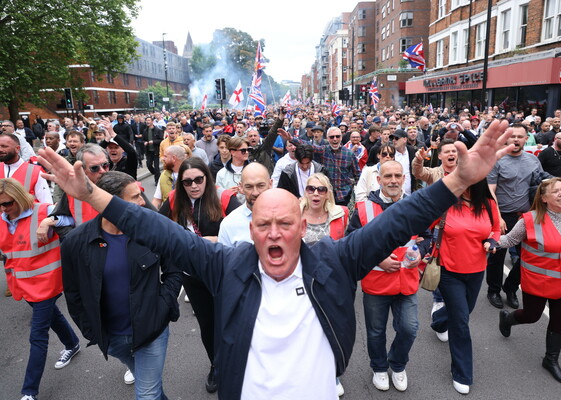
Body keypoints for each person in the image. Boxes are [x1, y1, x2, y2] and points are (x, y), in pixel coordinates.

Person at [37, 119, 515, 400]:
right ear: (250, 231)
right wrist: (96, 196)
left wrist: (454, 183)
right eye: (263, 225)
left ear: (301, 229)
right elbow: (160, 232)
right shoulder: (227, 265)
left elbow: (398, 221)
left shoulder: (335, 259)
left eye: (284, 224)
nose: (274, 233)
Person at [60, 172, 182, 398]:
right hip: (112, 338)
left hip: (151, 331)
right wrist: (90, 330)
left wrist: (164, 305)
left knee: (146, 393)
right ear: (110, 202)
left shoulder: (151, 230)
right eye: (135, 196)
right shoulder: (76, 242)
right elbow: (73, 292)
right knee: (151, 388)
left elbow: (174, 269)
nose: (142, 202)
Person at [496, 178, 561, 384]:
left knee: (558, 321)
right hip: (537, 282)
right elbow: (509, 241)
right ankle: (508, 319)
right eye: (555, 191)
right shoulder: (529, 220)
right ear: (544, 198)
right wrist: (488, 240)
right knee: (532, 316)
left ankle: (551, 360)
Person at [158, 158, 239, 393]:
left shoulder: (224, 198)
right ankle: (216, 364)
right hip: (192, 274)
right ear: (180, 183)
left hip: (223, 270)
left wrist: (215, 241)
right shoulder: (174, 200)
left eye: (198, 179)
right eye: (187, 182)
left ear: (207, 177)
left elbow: (244, 229)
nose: (194, 185)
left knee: (230, 319)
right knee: (207, 323)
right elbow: (158, 227)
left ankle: (237, 361)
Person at [346, 161, 425, 394]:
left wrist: (420, 252)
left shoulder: (416, 205)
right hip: (376, 284)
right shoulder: (363, 209)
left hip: (406, 282)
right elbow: (352, 242)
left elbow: (428, 235)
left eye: (397, 176)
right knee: (375, 332)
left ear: (404, 179)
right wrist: (378, 259)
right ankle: (379, 367)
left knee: (409, 328)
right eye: (388, 176)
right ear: (378, 180)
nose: (393, 180)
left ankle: (398, 365)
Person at [0, 178, 80, 400]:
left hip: (48, 283)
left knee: (38, 335)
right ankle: (72, 344)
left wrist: (49, 222)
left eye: (8, 203)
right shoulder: (3, 218)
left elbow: (74, 220)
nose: (5, 209)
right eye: (0, 205)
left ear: (19, 197)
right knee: (52, 317)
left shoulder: (43, 211)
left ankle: (29, 392)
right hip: (23, 285)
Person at [429, 179, 500, 394]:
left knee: (464, 311)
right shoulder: (445, 202)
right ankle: (461, 372)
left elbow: (495, 229)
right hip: (449, 271)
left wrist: (493, 241)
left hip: (477, 270)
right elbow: (423, 227)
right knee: (461, 322)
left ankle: (439, 321)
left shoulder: (488, 203)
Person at [298, 173, 348, 396]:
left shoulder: (341, 214)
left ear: (328, 193)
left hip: (331, 283)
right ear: (305, 191)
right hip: (301, 283)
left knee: (329, 331)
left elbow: (348, 246)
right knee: (303, 333)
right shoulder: (294, 213)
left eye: (321, 189)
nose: (316, 193)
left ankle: (332, 375)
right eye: (311, 189)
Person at [486, 123, 546, 309]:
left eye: (520, 136)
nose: (516, 139)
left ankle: (511, 288)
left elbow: (540, 188)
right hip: (503, 215)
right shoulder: (497, 160)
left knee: (528, 256)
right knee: (497, 256)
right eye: (512, 136)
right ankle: (493, 290)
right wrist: (498, 217)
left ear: (526, 138)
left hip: (527, 217)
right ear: (507, 138)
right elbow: (490, 190)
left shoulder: (533, 161)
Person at [217, 162, 272, 246]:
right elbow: (224, 258)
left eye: (260, 186)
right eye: (249, 187)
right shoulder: (229, 224)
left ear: (270, 184)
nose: (255, 192)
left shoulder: (286, 216)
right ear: (241, 187)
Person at [215, 137, 249, 204]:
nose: (247, 152)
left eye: (248, 149)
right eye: (243, 150)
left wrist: (247, 192)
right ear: (233, 152)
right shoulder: (221, 174)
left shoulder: (254, 171)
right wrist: (226, 194)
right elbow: (217, 199)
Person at [143, 116, 164, 185]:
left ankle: (157, 180)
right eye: (146, 120)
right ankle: (157, 174)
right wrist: (144, 142)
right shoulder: (145, 130)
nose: (147, 122)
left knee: (156, 167)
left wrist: (153, 142)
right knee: (149, 165)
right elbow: (143, 140)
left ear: (152, 121)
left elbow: (161, 140)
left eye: (149, 120)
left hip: (156, 151)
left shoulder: (158, 130)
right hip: (148, 151)